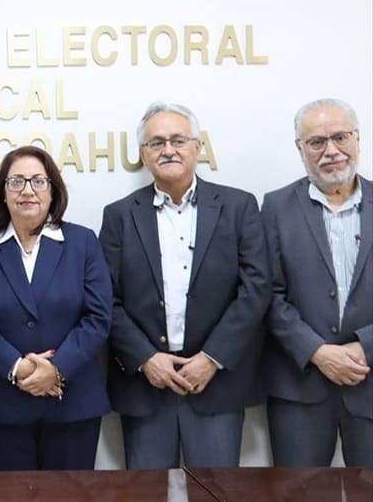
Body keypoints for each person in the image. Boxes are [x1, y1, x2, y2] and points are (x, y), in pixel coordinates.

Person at [99, 102, 270, 469]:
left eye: (178, 140)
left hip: (217, 385)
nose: (168, 149)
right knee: (146, 496)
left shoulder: (239, 206)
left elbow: (255, 289)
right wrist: (145, 358)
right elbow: (105, 299)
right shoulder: (118, 216)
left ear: (197, 148)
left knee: (217, 494)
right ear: (144, 155)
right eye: (156, 142)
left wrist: (212, 358)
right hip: (147, 387)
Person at [0, 145, 112, 471]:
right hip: (6, 402)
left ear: (53, 191)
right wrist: (20, 368)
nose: (27, 190)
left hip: (73, 401)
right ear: (3, 193)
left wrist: (56, 370)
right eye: (17, 181)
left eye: (38, 181)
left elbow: (98, 317)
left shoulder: (83, 243)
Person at [262, 98, 371, 466]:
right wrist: (317, 351)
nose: (331, 151)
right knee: (299, 493)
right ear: (300, 148)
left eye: (340, 137)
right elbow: (268, 294)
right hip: (300, 387)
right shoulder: (275, 207)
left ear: (357, 138)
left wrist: (364, 346)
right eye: (317, 142)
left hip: (370, 377)